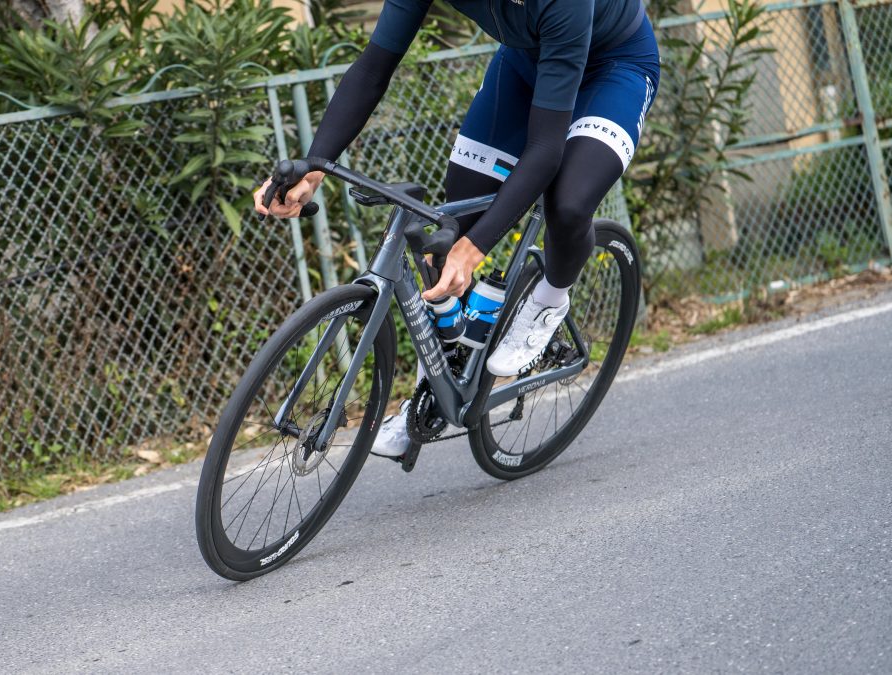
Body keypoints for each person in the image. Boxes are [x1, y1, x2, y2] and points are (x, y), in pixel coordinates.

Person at [253, 0, 660, 457]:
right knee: (450, 224)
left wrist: (477, 247)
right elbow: (372, 69)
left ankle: (550, 298)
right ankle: (435, 388)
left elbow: (545, 149)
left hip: (613, 67)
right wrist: (314, 167)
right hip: (527, 65)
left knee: (567, 202)